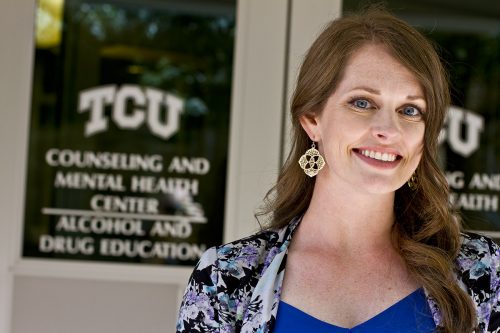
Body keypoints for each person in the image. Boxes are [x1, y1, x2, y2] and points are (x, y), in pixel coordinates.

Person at [176, 7, 500, 333]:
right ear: (312, 120)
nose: (389, 129)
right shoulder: (226, 277)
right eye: (362, 102)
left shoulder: (485, 274)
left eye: (410, 110)